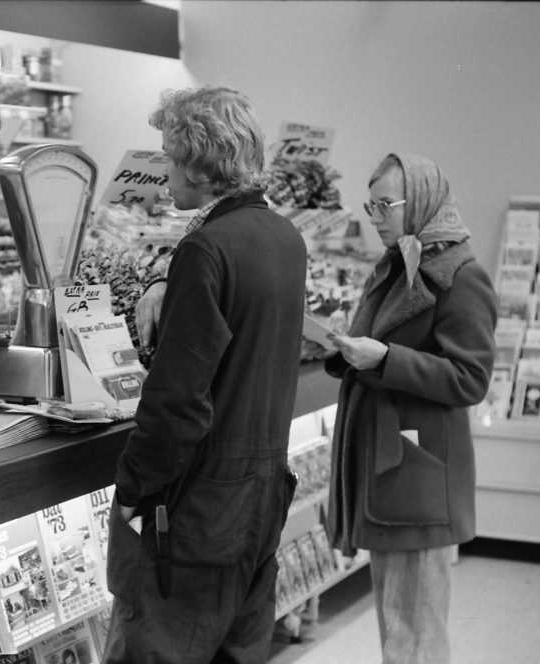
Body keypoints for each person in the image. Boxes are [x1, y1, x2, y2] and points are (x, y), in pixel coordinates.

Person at [103, 87, 307, 663]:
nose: (164, 170)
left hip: (194, 514)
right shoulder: (285, 238)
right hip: (262, 497)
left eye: (169, 155)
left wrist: (133, 490)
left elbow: (177, 402)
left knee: (154, 647)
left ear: (198, 161)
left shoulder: (206, 249)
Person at [325, 154, 496, 664]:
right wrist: (348, 349)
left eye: (385, 204)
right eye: (370, 203)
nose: (375, 215)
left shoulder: (460, 276)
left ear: (419, 201)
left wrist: (386, 359)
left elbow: (471, 377)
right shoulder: (397, 265)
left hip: (419, 472)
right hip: (392, 468)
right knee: (401, 629)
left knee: (414, 636)